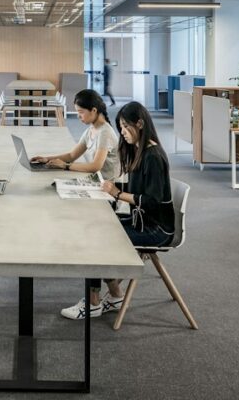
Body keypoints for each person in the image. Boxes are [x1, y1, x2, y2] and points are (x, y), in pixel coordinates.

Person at [61, 101, 175, 320]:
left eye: (125, 127)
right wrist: (112, 187)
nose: (122, 132)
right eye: (120, 127)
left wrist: (117, 193)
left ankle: (93, 302)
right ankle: (115, 295)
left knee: (97, 239)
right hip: (142, 221)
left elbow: (151, 201)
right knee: (96, 229)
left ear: (139, 124)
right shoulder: (141, 151)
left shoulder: (153, 156)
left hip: (156, 230)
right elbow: (139, 189)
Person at [31, 89, 120, 181]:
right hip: (96, 179)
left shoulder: (105, 133)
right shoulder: (91, 130)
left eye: (81, 112)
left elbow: (95, 166)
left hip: (108, 185)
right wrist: (47, 159)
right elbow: (71, 156)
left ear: (94, 110)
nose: (78, 116)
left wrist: (65, 165)